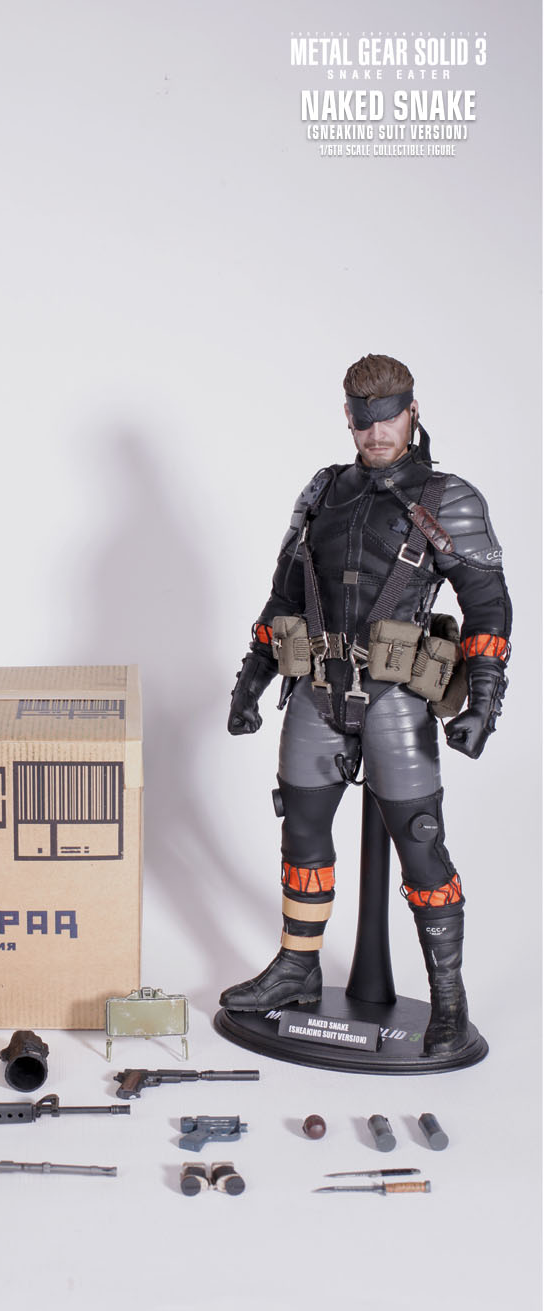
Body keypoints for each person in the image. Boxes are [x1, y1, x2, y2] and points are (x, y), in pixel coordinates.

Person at [220, 354, 510, 1056]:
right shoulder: (323, 491)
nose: (377, 432)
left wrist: (483, 702)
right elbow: (284, 596)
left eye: (389, 417)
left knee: (421, 845)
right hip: (315, 691)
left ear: (412, 412)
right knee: (302, 835)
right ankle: (297, 967)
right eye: (363, 418)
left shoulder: (448, 500)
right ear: (347, 417)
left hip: (396, 700)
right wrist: (250, 682)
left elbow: (489, 607)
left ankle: (448, 1000)